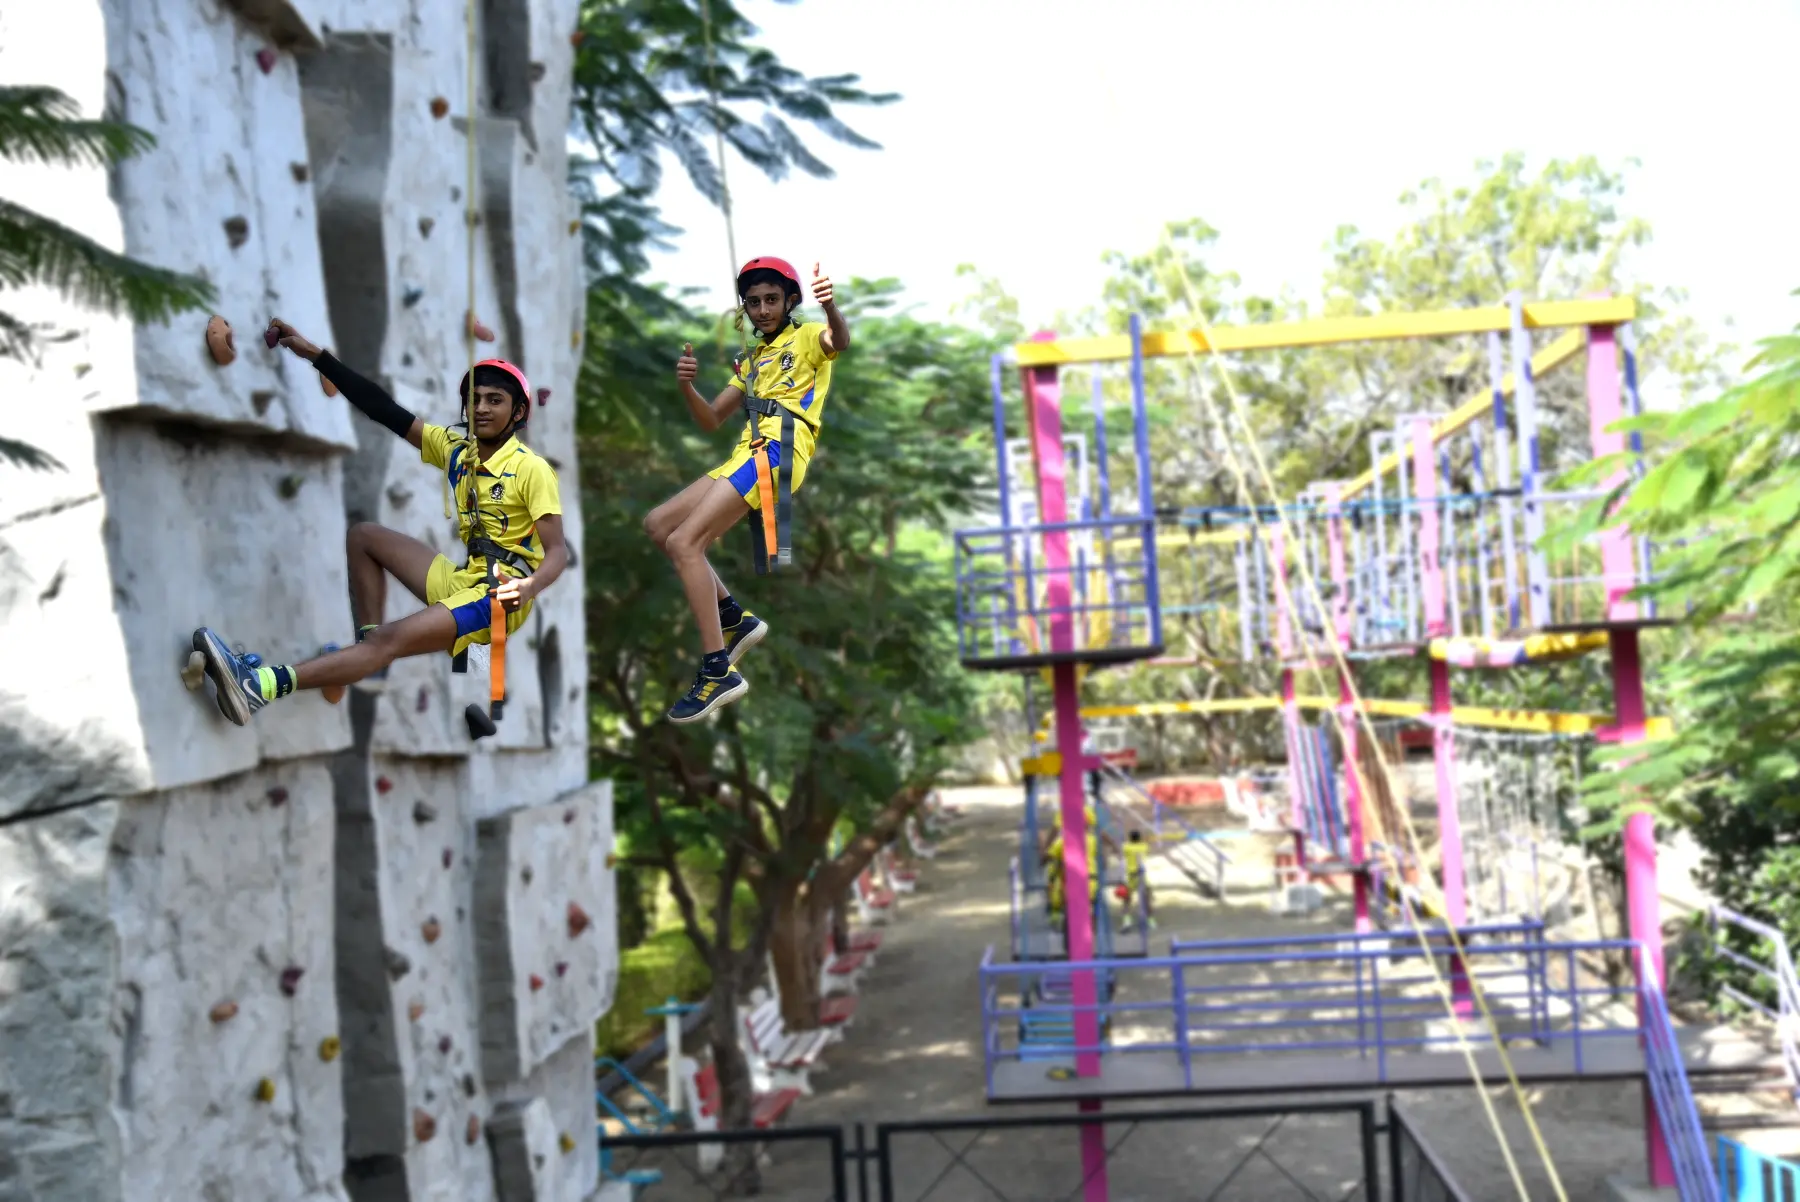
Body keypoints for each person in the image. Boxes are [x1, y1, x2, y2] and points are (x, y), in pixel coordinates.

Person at [189, 319, 567, 725]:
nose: (481, 408)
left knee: (390, 639)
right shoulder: (458, 449)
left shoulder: (531, 469)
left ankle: (258, 686)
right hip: (466, 579)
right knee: (365, 538)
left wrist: (528, 587)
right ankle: (371, 655)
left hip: (499, 595)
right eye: (474, 399)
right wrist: (318, 357)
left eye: (495, 400)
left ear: (519, 412)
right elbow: (383, 409)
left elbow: (558, 551)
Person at [647, 257, 849, 724]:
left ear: (790, 301)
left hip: (779, 448)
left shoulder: (808, 337)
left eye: (771, 300)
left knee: (685, 543)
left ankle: (719, 669)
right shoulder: (753, 360)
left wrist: (831, 307)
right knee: (659, 525)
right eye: (753, 302)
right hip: (746, 452)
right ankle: (735, 618)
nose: (762, 309)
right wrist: (687, 388)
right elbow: (711, 418)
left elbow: (839, 340)